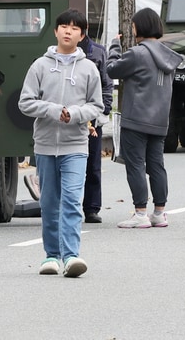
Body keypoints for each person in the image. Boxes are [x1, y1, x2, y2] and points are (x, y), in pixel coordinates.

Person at [17, 10, 103, 275]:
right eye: (64, 26)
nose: (68, 31)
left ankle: (71, 256)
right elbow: (25, 103)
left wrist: (74, 115)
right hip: (44, 145)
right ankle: (51, 256)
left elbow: (97, 106)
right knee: (49, 202)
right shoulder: (39, 66)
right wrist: (53, 110)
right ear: (55, 31)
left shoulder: (89, 68)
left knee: (71, 201)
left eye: (75, 28)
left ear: (82, 34)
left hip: (76, 146)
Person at [106, 8, 185, 229]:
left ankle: (140, 212)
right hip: (160, 119)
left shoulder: (137, 53)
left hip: (136, 118)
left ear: (138, 28)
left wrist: (114, 47)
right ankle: (159, 212)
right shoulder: (169, 56)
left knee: (135, 166)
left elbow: (112, 70)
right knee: (156, 166)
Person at [77, 32, 114, 225]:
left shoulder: (98, 52)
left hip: (92, 117)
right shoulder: (55, 52)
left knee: (93, 164)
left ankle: (91, 208)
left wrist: (104, 110)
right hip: (67, 116)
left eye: (75, 27)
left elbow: (107, 83)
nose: (69, 31)